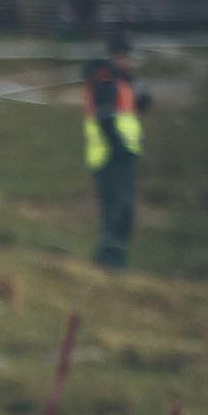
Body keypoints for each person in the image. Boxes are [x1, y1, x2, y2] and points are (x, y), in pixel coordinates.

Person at [82, 31, 146, 269]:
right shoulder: (106, 79)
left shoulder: (122, 81)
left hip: (124, 155)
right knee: (115, 210)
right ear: (115, 55)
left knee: (124, 211)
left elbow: (125, 115)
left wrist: (141, 102)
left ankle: (114, 260)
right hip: (109, 155)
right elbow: (105, 117)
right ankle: (109, 263)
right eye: (124, 56)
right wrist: (119, 147)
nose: (127, 61)